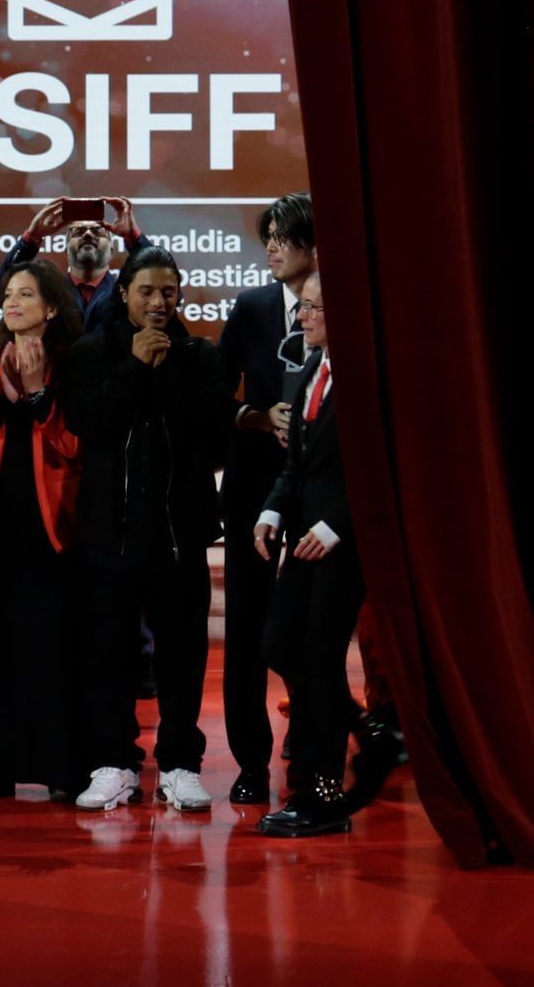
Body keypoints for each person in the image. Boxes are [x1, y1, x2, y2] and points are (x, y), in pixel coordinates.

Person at [66, 246, 236, 812]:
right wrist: (136, 367)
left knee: (182, 658)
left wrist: (164, 372)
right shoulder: (91, 352)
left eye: (168, 291)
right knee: (107, 655)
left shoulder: (200, 354)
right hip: (108, 534)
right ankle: (113, 764)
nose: (158, 301)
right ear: (124, 294)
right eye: (146, 291)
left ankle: (181, 765)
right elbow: (88, 422)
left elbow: (213, 429)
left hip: (179, 535)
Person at [0, 260, 83, 800]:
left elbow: (74, 445)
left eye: (26, 294)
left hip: (53, 530)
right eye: (8, 293)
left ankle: (60, 769)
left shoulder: (72, 366)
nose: (11, 302)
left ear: (51, 307)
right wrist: (0, 399)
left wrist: (37, 394)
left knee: (51, 650)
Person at [254, 271, 365, 836]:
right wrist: (273, 510)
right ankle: (367, 729)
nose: (304, 317)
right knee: (279, 644)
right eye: (304, 307)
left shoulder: (366, 380)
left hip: (343, 545)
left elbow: (380, 470)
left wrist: (338, 525)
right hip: (300, 537)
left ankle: (324, 794)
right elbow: (296, 463)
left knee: (320, 661)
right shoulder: (309, 371)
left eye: (316, 308)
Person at [218, 192, 316, 803]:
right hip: (253, 485)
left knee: (308, 626)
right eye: (268, 238)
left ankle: (307, 748)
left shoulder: (340, 306)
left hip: (316, 490)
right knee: (247, 628)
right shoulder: (251, 307)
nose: (272, 249)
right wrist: (255, 417)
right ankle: (250, 762)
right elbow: (215, 394)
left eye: (284, 237)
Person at [0, 196, 151, 328]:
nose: (88, 234)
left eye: (98, 232)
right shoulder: (50, 293)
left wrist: (133, 237)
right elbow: (0, 293)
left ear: (111, 250)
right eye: (78, 232)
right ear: (66, 250)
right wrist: (31, 239)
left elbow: (161, 283)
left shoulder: (127, 293)